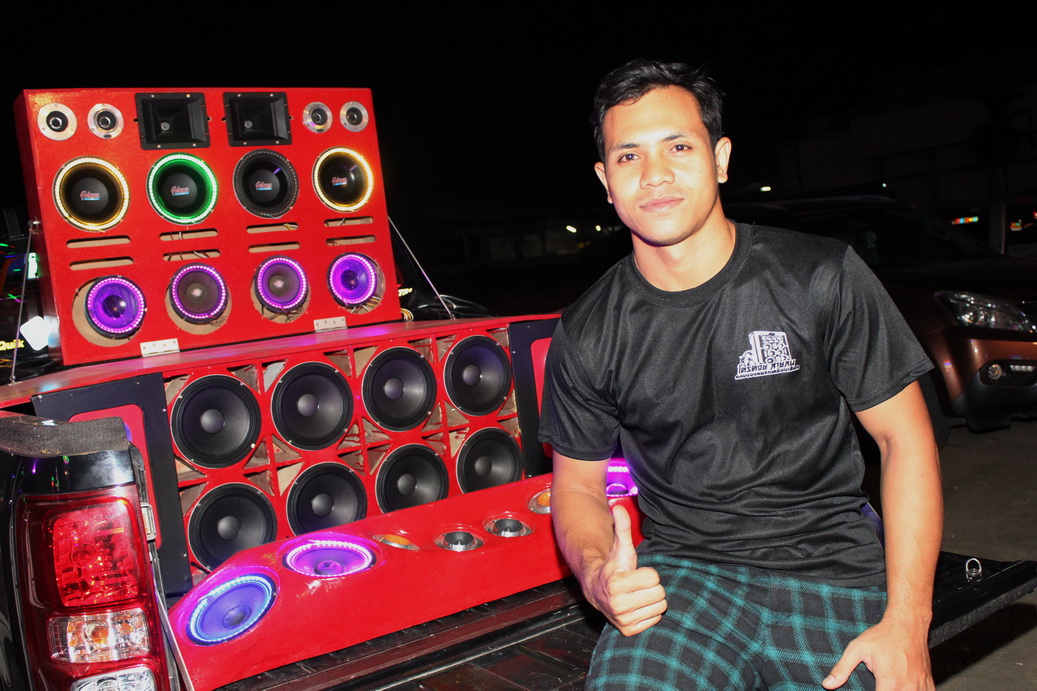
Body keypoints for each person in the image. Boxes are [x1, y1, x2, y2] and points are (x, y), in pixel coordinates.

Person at [539, 58, 943, 690]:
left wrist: (908, 623)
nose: (654, 174)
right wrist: (598, 576)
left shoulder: (821, 276)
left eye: (678, 146)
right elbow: (578, 489)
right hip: (683, 579)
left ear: (721, 158)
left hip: (831, 570)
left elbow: (905, 440)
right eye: (628, 156)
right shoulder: (589, 330)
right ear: (605, 181)